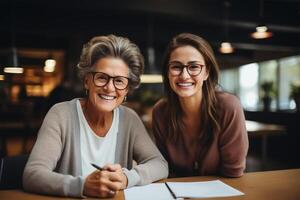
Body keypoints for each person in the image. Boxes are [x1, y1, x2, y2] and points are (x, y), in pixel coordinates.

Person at [23, 35, 168, 198]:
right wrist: (82, 186)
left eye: (119, 81)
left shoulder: (129, 119)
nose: (109, 88)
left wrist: (127, 178)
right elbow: (32, 175)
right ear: (87, 81)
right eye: (102, 77)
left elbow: (160, 164)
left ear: (127, 89)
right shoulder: (61, 114)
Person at [152, 33, 248, 178]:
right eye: (176, 67)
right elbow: (163, 168)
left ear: (206, 72)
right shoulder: (160, 112)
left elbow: (233, 172)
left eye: (194, 67)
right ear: (168, 72)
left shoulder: (229, 107)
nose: (184, 75)